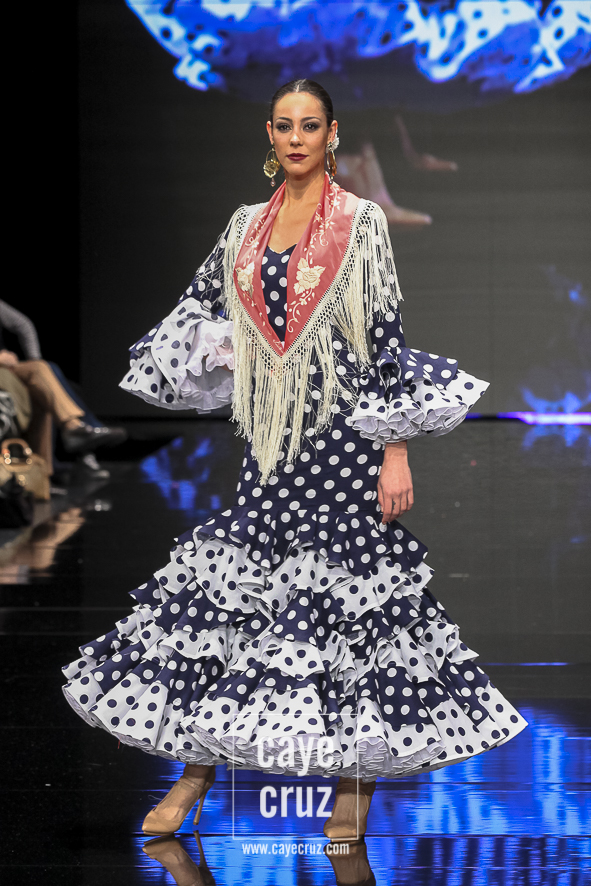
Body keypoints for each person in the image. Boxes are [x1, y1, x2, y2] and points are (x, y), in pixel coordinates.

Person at [63, 80, 526, 843]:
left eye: (310, 126)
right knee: (243, 600)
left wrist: (394, 448)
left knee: (353, 606)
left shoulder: (359, 220)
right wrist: (223, 347)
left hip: (345, 433)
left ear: (331, 135)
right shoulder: (245, 224)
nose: (296, 138)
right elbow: (199, 305)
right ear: (269, 135)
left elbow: (383, 335)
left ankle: (354, 783)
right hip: (270, 436)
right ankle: (195, 773)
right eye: (284, 126)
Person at [0, 300, 126, 476]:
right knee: (44, 378)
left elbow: (22, 324)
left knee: (44, 376)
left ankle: (45, 474)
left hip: (9, 369)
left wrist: (34, 359)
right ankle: (76, 431)